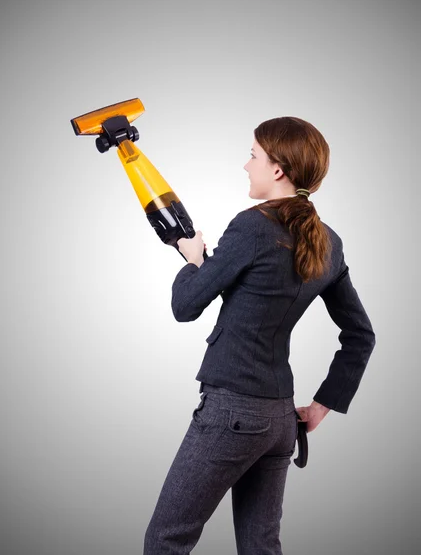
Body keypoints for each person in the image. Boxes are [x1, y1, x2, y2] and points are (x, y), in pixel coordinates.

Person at [143, 116, 376, 554]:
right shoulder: (329, 242)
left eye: (253, 155)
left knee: (166, 539)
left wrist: (193, 258)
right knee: (260, 546)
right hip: (279, 420)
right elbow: (361, 335)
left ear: (278, 170)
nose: (246, 165)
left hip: (232, 412)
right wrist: (324, 404)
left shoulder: (252, 226)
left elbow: (185, 306)